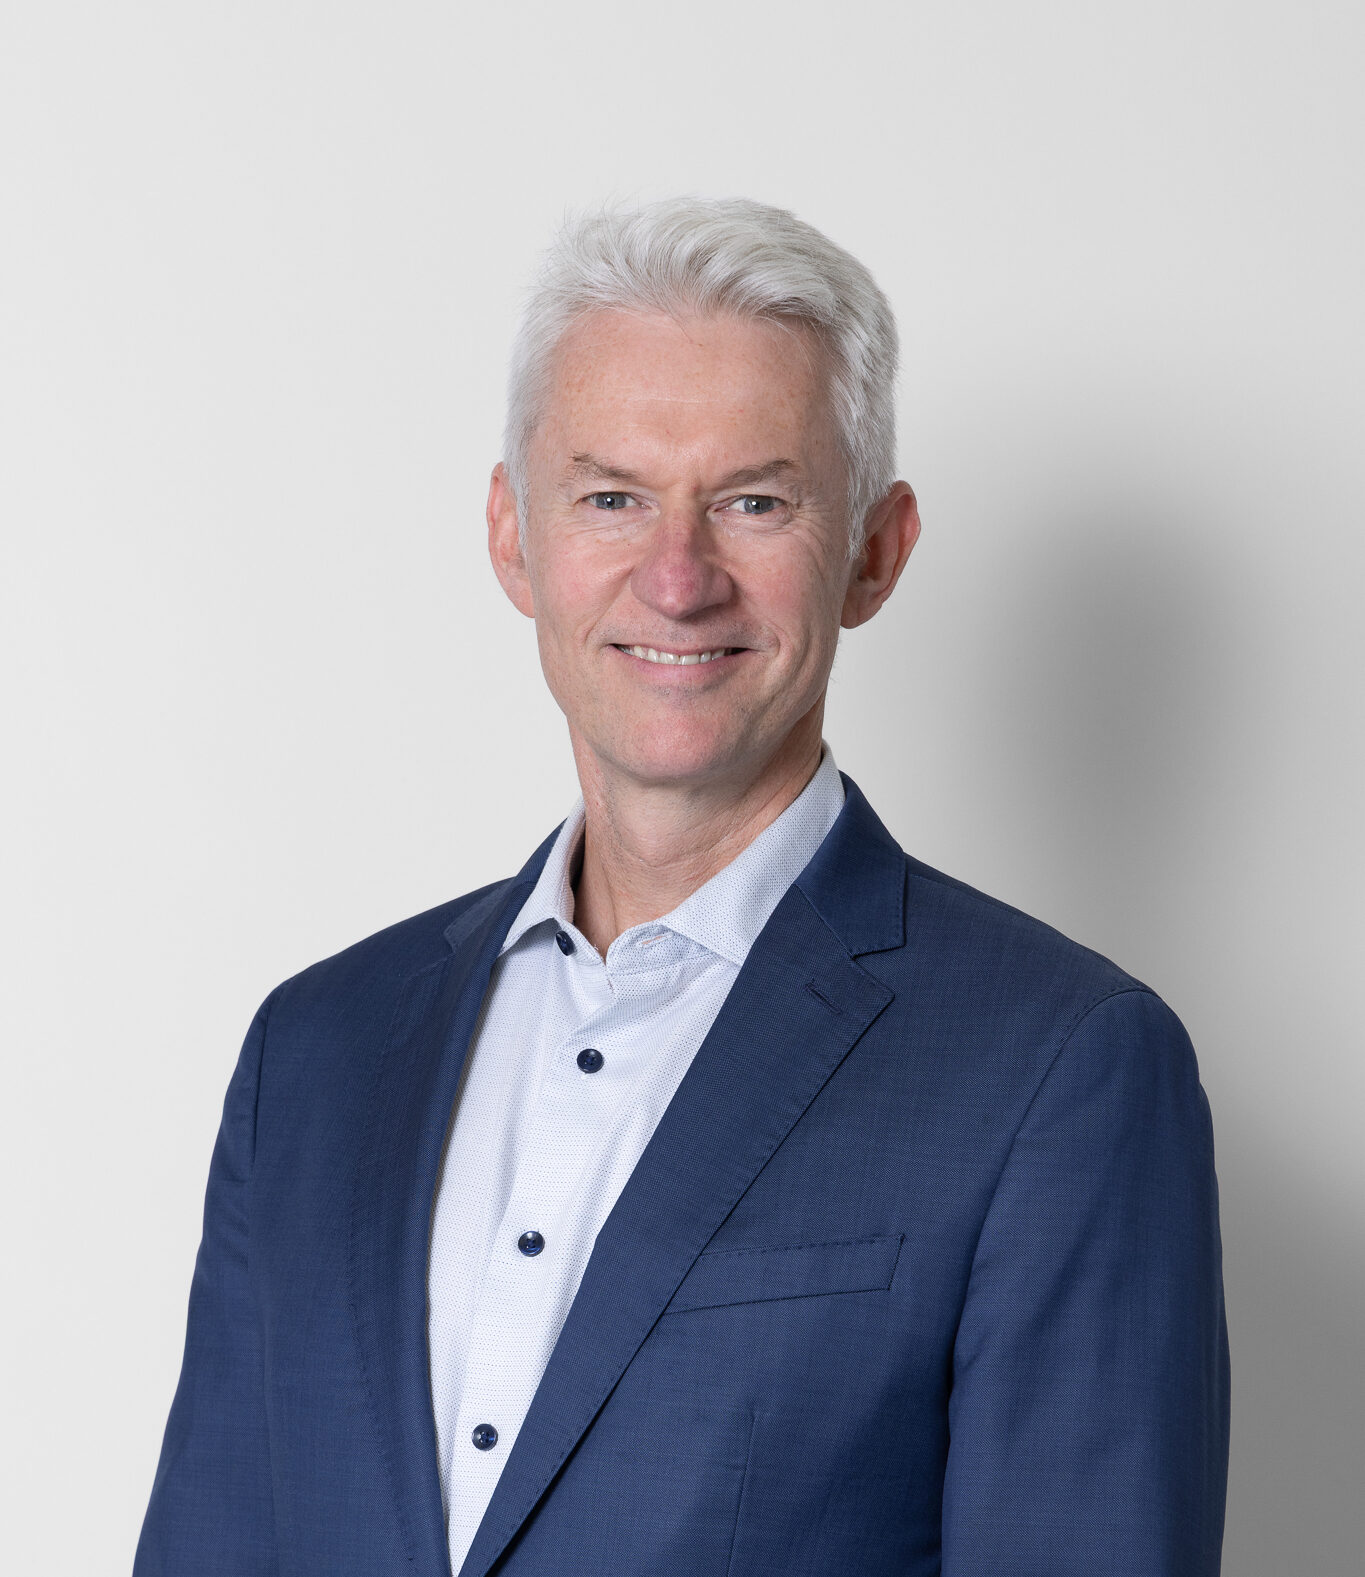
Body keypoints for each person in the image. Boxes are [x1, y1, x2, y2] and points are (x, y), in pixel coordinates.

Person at [135, 197, 1230, 1577]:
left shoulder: (1060, 1072)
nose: (675, 576)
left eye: (754, 502)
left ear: (875, 551)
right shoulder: (314, 1053)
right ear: (512, 535)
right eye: (611, 497)